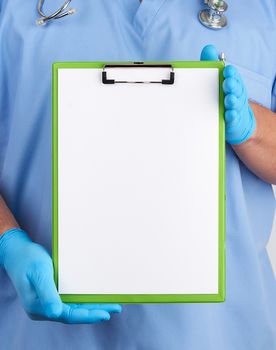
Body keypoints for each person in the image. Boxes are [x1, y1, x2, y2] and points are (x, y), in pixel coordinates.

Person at [0, 0, 275, 349]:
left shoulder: (265, 10)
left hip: (218, 335)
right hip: (41, 338)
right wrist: (6, 241)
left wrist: (250, 128)